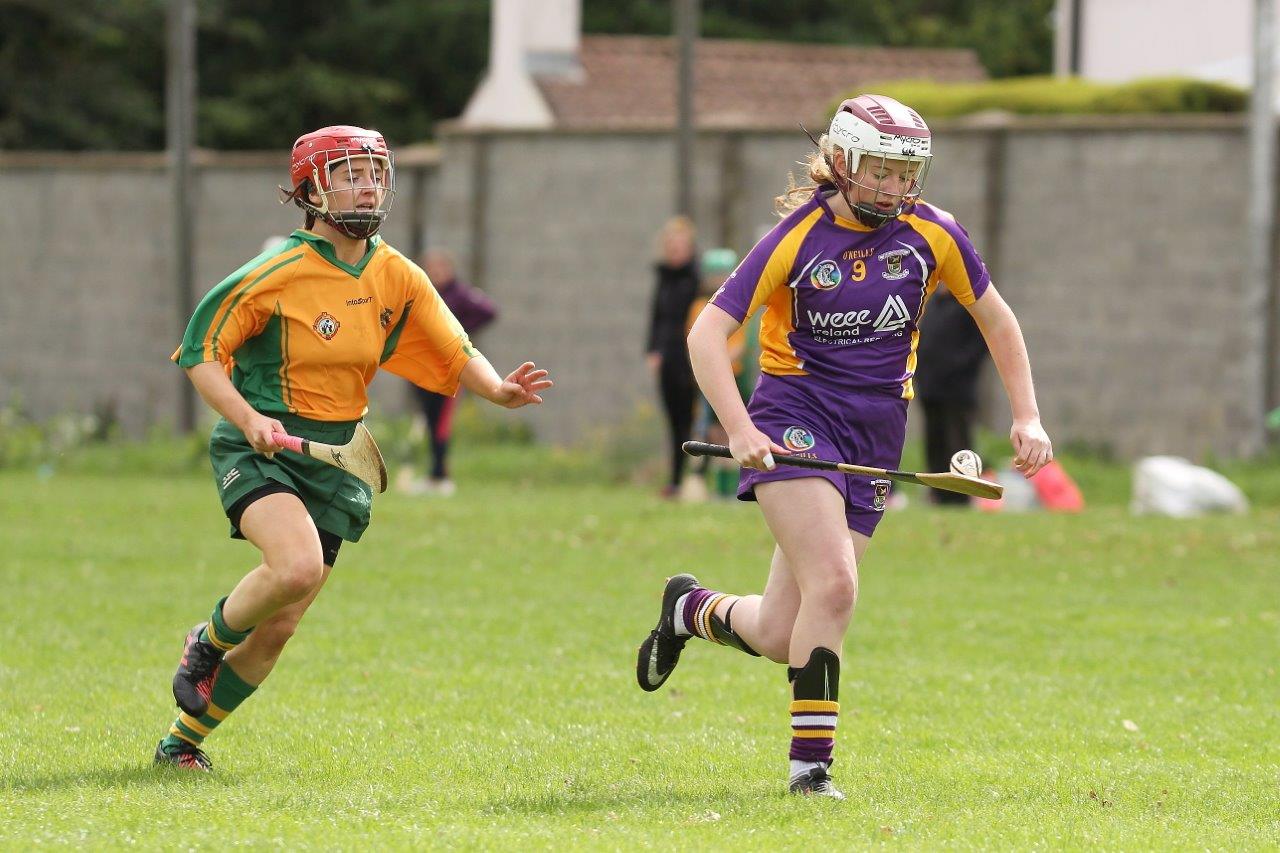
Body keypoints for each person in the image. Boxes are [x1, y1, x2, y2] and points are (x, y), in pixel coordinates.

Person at [635, 95, 1052, 799]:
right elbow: (707, 334)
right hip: (795, 415)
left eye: (906, 173)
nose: (894, 187)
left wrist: (1028, 415)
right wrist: (739, 427)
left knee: (778, 631)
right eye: (880, 170)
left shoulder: (935, 233)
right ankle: (810, 771)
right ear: (842, 162)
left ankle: (687, 608)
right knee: (835, 585)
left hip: (878, 431)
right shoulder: (795, 239)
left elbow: (997, 318)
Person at [155, 125, 552, 771]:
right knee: (297, 567)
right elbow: (199, 353)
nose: (368, 183)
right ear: (313, 187)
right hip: (263, 446)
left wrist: (496, 389)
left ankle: (181, 742)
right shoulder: (273, 271)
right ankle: (205, 640)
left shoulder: (395, 272)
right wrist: (248, 416)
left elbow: (454, 346)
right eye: (350, 171)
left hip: (338, 460)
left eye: (375, 171)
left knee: (280, 628)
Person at [398, 248, 498, 496]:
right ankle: (435, 475)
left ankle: (441, 477)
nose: (436, 272)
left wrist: (461, 330)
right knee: (430, 422)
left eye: (440, 267)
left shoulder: (459, 294)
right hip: (422, 368)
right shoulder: (422, 291)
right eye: (431, 268)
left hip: (450, 369)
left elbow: (488, 311)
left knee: (441, 424)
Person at [914, 286, 988, 505]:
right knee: (934, 441)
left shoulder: (967, 303)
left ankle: (961, 495)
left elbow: (979, 344)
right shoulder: (933, 303)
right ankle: (939, 492)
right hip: (930, 386)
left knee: (957, 441)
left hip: (957, 388)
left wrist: (955, 366)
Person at [645, 216, 700, 498]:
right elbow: (657, 317)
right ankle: (676, 480)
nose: (675, 252)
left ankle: (693, 479)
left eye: (680, 246)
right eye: (671, 246)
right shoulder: (664, 278)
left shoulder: (697, 280)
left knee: (692, 421)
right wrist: (652, 350)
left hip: (689, 358)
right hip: (667, 357)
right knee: (673, 421)